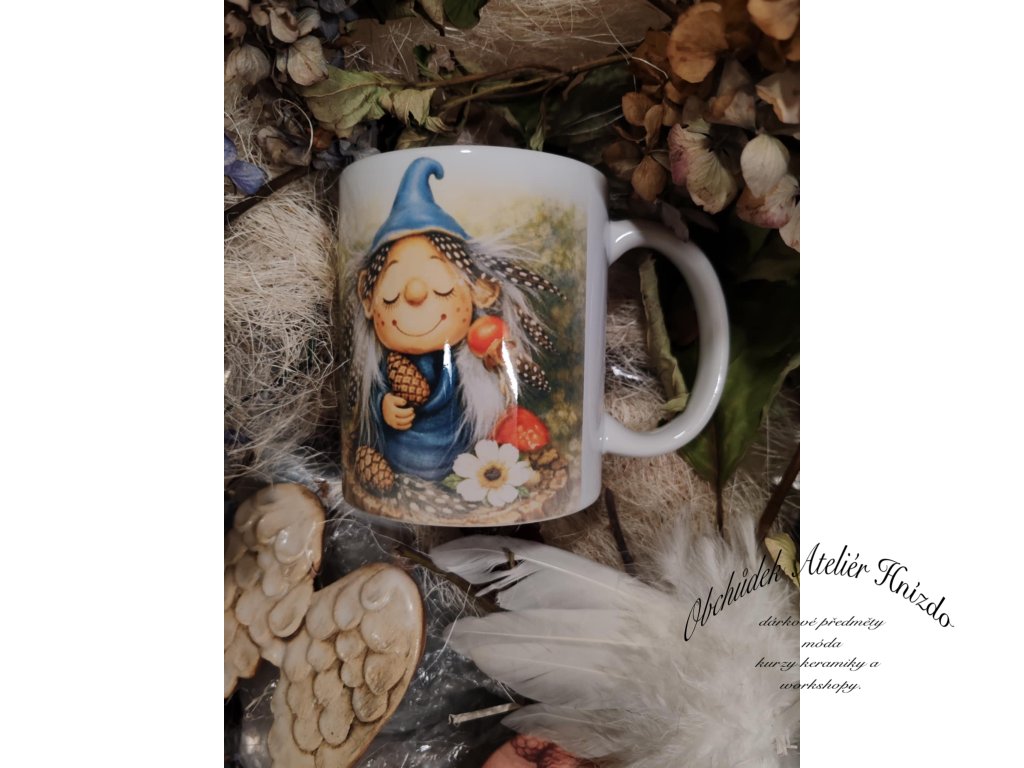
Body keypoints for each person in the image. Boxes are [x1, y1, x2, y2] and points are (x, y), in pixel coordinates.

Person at [347, 157, 560, 491]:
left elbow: (493, 396)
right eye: (391, 295)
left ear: (482, 290)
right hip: (397, 462)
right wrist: (383, 404)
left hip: (463, 466)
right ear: (368, 298)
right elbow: (374, 396)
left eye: (442, 289)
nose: (415, 295)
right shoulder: (387, 365)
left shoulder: (470, 360)